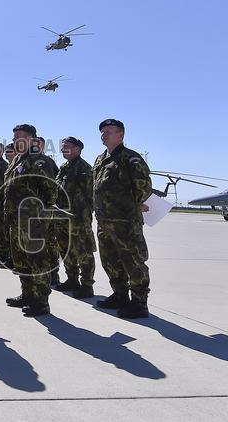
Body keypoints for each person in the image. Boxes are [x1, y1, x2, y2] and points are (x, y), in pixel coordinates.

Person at [93, 119, 152, 319]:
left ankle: (139, 303)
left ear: (121, 134)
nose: (104, 135)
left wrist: (133, 205)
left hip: (126, 223)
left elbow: (143, 187)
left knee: (133, 261)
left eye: (108, 131)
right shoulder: (100, 159)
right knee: (110, 261)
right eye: (102, 132)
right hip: (104, 222)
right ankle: (120, 295)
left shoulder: (131, 159)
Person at [2, 129, 58, 317]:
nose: (16, 140)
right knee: (21, 260)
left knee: (38, 261)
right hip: (16, 221)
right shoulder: (18, 160)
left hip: (33, 221)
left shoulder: (40, 161)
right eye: (15, 137)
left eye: (20, 137)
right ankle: (27, 294)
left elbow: (51, 190)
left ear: (31, 139)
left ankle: (41, 301)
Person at [53, 136, 96, 298]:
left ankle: (87, 285)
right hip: (62, 219)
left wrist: (84, 215)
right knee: (66, 250)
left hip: (78, 219)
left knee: (83, 252)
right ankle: (72, 279)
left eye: (68, 146)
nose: (64, 149)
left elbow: (91, 195)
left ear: (78, 149)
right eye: (62, 146)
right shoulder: (64, 167)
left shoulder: (84, 169)